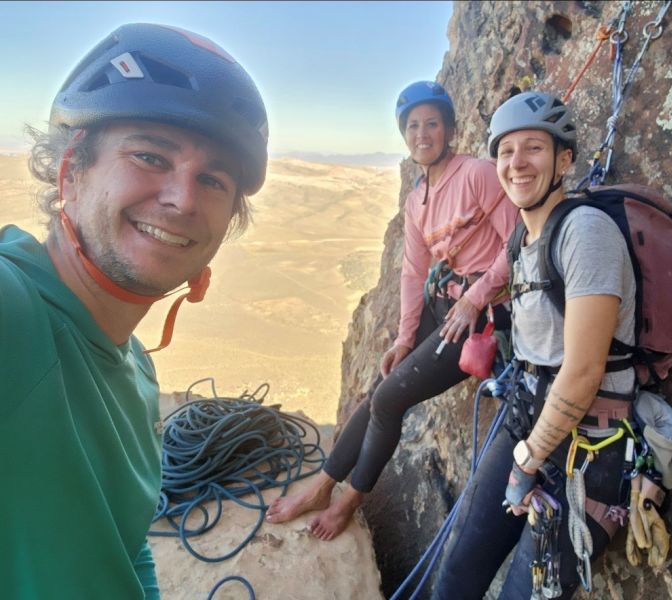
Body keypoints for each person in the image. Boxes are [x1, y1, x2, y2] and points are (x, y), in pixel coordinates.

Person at [0, 24, 268, 599]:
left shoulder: (138, 373)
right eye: (150, 155)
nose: (183, 199)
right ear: (70, 172)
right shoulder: (15, 312)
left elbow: (125, 544)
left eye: (213, 180)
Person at [266, 80, 518, 540]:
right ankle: (323, 484)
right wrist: (404, 338)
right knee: (382, 387)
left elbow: (518, 241)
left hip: (479, 318)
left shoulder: (477, 174)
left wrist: (475, 298)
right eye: (414, 126)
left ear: (449, 129)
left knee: (389, 399)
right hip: (443, 308)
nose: (423, 134)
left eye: (432, 124)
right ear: (405, 136)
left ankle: (348, 499)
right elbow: (411, 272)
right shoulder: (417, 199)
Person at [432, 90, 636, 599]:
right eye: (505, 151)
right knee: (457, 571)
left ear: (565, 159)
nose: (517, 164)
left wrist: (526, 463)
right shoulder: (521, 242)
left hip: (589, 448)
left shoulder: (586, 232)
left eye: (534, 149)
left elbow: (584, 372)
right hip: (529, 421)